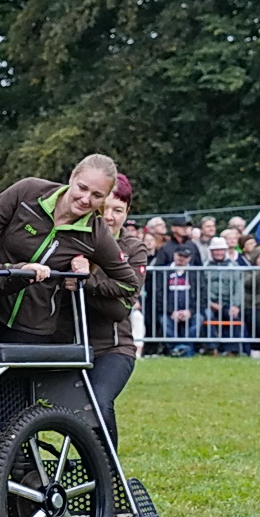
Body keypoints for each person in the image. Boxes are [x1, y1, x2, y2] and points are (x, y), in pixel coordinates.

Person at [0, 152, 139, 344]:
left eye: (97, 195)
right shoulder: (28, 191)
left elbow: (129, 284)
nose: (85, 199)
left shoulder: (97, 232)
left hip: (33, 328)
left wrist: (85, 281)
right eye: (82, 188)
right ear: (72, 177)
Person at [83, 174, 147, 442]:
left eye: (117, 210)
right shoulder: (77, 241)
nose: (109, 217)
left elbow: (120, 308)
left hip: (113, 349)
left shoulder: (133, 249)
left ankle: (109, 474)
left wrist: (85, 281)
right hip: (69, 347)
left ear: (127, 212)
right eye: (104, 209)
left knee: (98, 402)